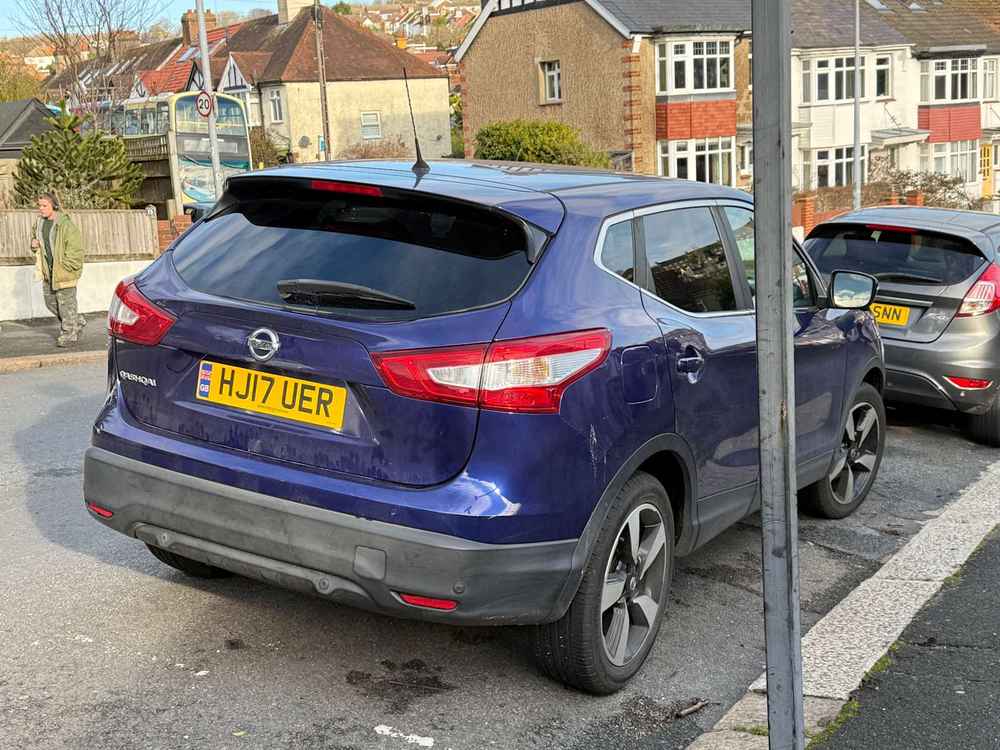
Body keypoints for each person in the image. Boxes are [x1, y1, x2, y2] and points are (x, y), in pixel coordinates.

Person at [30, 193, 86, 347]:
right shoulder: (39, 224)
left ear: (53, 205)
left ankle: (69, 334)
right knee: (50, 302)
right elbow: (35, 243)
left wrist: (66, 267)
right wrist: (33, 245)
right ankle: (76, 321)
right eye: (39, 205)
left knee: (65, 303)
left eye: (44, 205)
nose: (41, 209)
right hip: (48, 273)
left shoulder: (65, 224)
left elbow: (76, 250)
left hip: (64, 272)